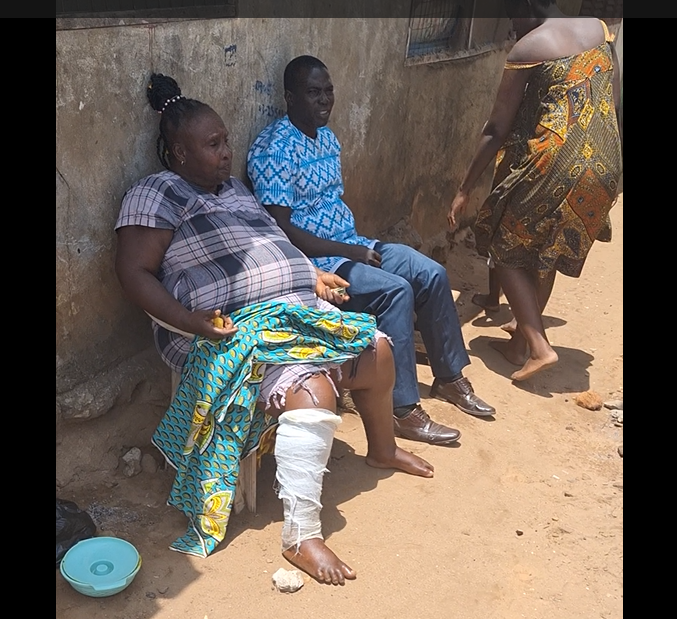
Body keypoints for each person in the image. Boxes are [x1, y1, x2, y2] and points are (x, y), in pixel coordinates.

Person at [115, 73, 434, 586]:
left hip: (291, 309)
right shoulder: (155, 194)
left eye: (226, 141)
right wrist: (188, 321)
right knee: (313, 391)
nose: (226, 153)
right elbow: (133, 273)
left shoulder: (236, 189)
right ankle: (301, 534)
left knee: (376, 350)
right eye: (213, 144)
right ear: (176, 153)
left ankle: (381, 447)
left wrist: (310, 274)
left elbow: (270, 242)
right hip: (225, 326)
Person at [247, 56, 496, 447]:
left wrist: (357, 247)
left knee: (430, 274)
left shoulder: (327, 139)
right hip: (317, 262)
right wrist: (350, 251)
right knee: (395, 291)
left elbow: (333, 206)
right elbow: (281, 228)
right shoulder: (274, 147)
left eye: (328, 90)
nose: (324, 100)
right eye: (313, 93)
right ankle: (401, 410)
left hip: (354, 245)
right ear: (290, 98)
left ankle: (449, 378)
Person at [449, 2, 622, 382]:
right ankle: (518, 344)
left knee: (501, 245)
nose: (513, 28)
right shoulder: (600, 30)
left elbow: (496, 128)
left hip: (556, 162)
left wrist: (464, 189)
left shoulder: (531, 47)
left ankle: (540, 348)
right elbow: (612, 102)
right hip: (606, 165)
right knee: (547, 248)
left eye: (512, 17)